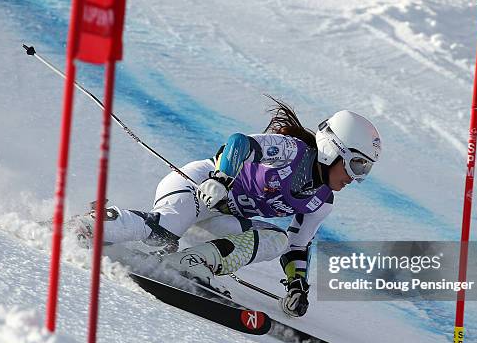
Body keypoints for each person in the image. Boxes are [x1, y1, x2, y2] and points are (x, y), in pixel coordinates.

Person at [78, 97, 382, 317]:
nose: (356, 178)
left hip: (225, 216)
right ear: (333, 148)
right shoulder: (294, 152)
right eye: (357, 165)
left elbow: (297, 247)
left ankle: (187, 265)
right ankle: (90, 225)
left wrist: (296, 285)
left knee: (278, 240)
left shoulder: (322, 201)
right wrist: (221, 180)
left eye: (365, 170)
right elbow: (240, 144)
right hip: (200, 186)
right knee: (163, 233)